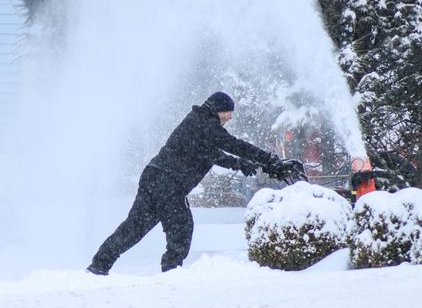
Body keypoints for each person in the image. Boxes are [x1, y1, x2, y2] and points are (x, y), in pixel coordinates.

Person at [86, 91, 283, 275]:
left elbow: (210, 153)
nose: (230, 117)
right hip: (168, 182)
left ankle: (99, 265)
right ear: (218, 110)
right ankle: (171, 274)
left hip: (154, 177)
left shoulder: (198, 122)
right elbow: (234, 145)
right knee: (181, 229)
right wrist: (269, 160)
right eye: (227, 112)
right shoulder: (206, 123)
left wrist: (239, 164)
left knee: (134, 228)